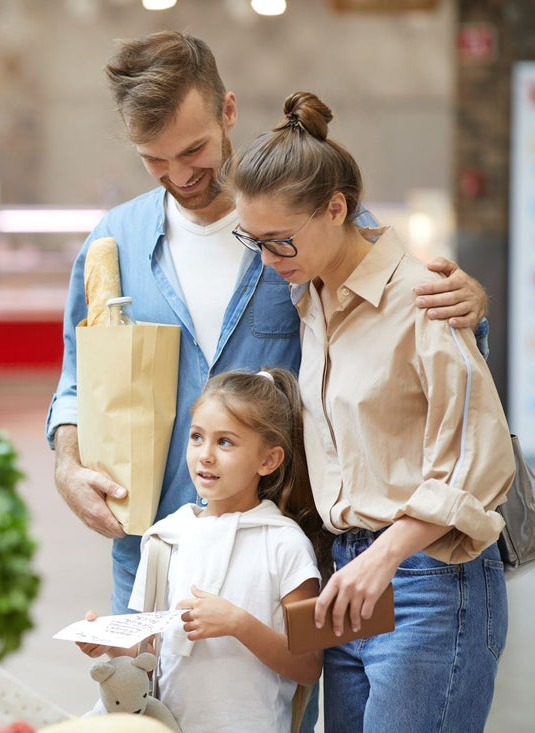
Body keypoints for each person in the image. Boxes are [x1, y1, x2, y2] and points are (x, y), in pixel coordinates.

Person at [45, 30, 489, 618]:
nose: (179, 175)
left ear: (228, 111)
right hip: (152, 551)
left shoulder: (316, 223)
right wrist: (68, 468)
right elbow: (77, 382)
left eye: (193, 150)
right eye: (154, 158)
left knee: (275, 711)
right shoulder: (112, 245)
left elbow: (413, 329)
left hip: (289, 558)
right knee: (138, 713)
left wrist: (469, 301)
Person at [231, 91, 514, 733]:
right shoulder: (312, 300)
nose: (272, 263)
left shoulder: (425, 297)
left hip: (431, 581)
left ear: (336, 208)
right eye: (255, 244)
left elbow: (482, 458)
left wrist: (384, 556)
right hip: (348, 575)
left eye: (281, 242)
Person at [78, 369, 326, 733]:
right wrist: (108, 645)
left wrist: (238, 624)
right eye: (197, 437)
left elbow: (308, 664)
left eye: (225, 442)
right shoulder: (165, 539)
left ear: (269, 460)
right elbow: (148, 654)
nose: (205, 455)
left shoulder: (287, 544)